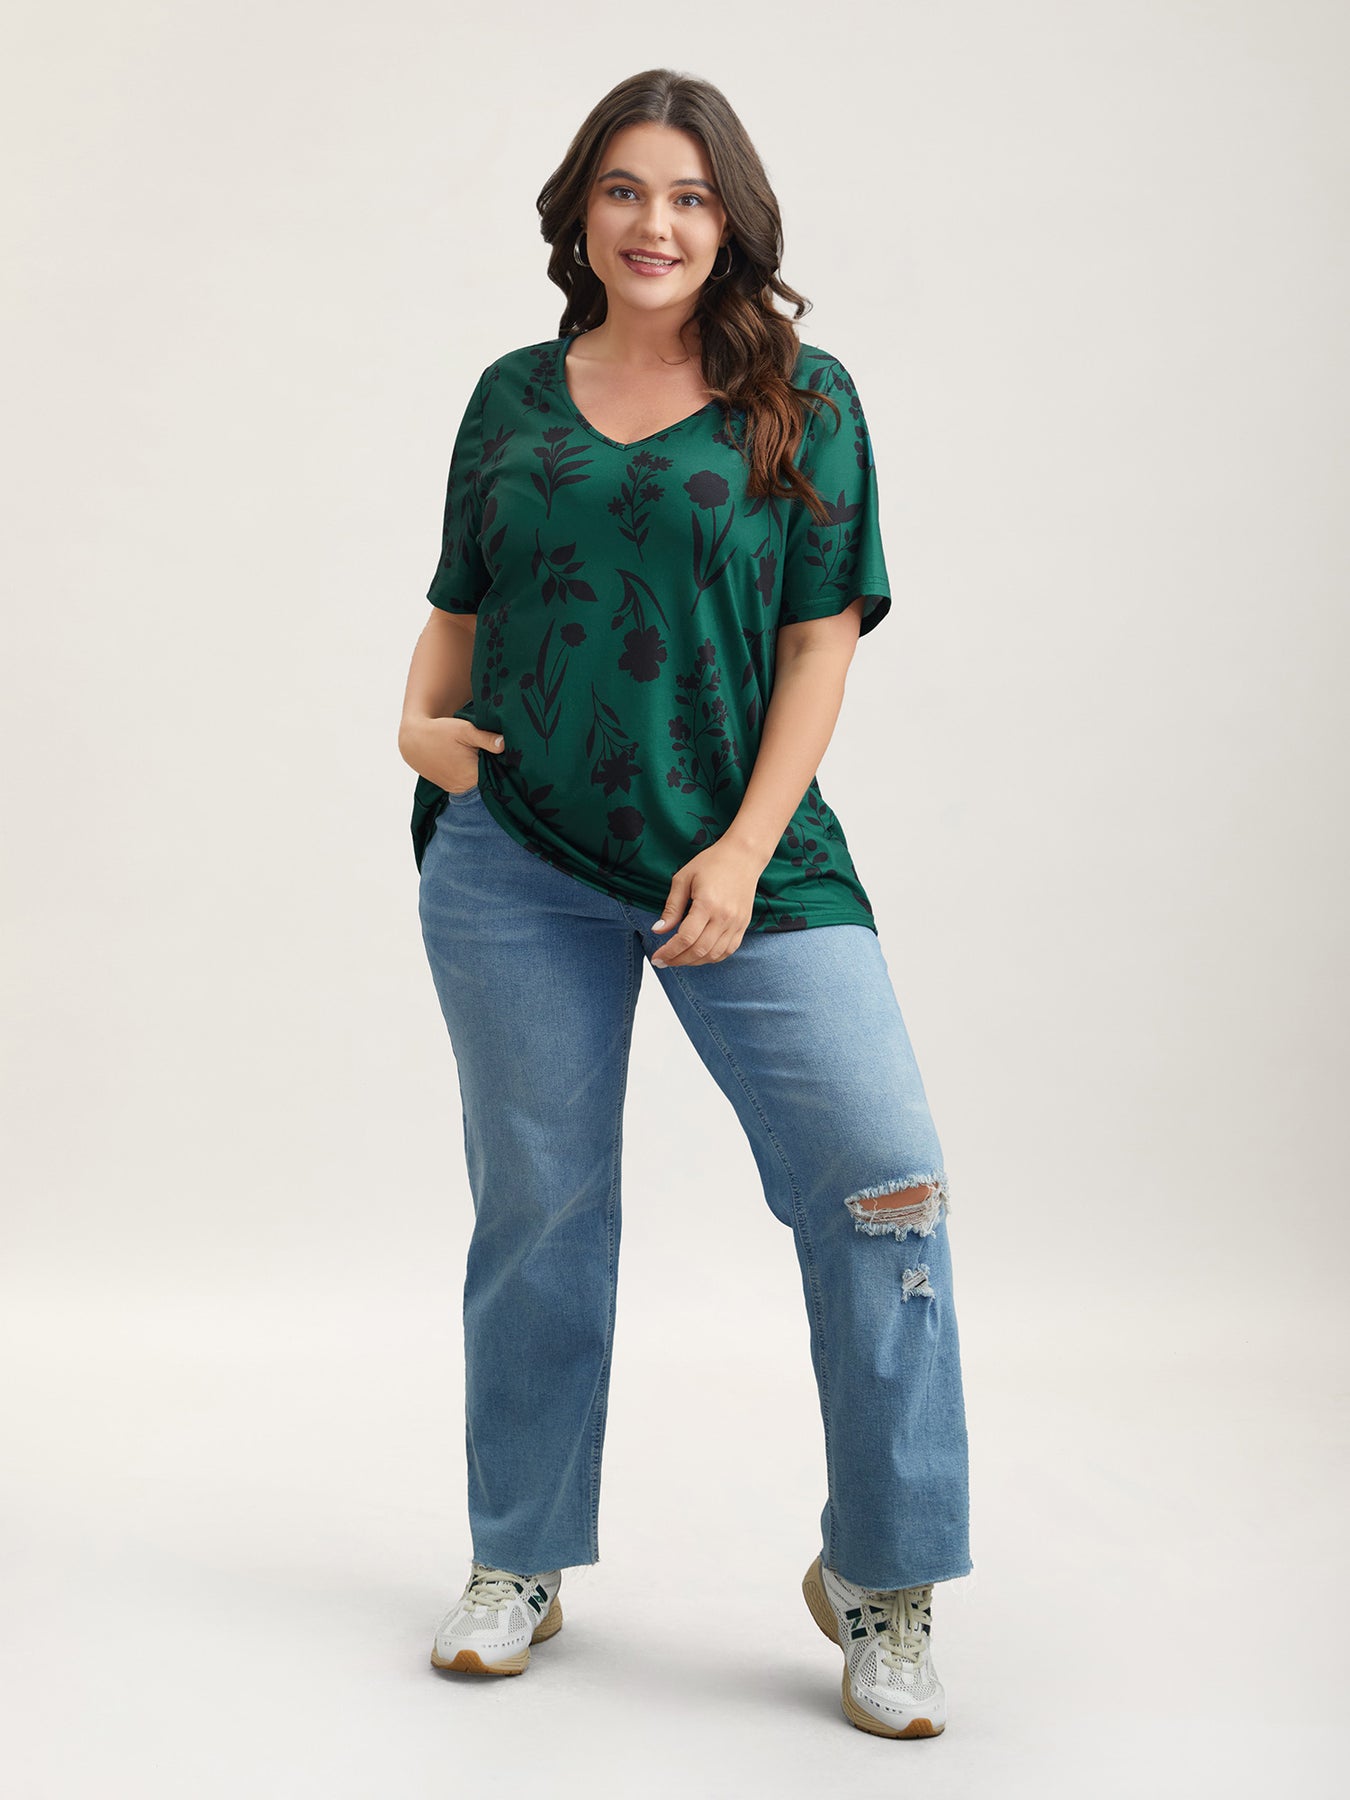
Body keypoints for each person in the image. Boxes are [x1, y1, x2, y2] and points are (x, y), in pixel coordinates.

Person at [398, 68, 973, 1740]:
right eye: (625, 190)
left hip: (743, 859)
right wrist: (414, 724)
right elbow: (458, 610)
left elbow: (819, 643)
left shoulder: (802, 397)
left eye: (689, 196)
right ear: (580, 211)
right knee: (539, 1207)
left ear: (731, 222)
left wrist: (737, 849)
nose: (654, 223)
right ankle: (517, 1556)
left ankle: (881, 1579)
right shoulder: (511, 396)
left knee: (882, 1183)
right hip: (514, 857)